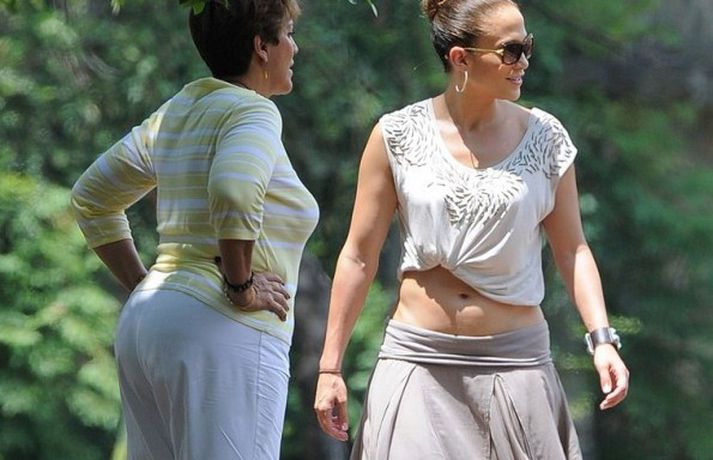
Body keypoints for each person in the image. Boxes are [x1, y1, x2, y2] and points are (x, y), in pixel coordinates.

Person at [314, 0, 629, 458]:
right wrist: (330, 367)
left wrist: (602, 339)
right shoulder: (395, 134)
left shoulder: (546, 138)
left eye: (527, 47)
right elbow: (358, 257)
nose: (524, 62)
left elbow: (573, 250)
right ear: (460, 58)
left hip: (516, 364)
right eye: (511, 50)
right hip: (417, 362)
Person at [71, 1, 318, 458]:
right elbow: (234, 190)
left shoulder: (180, 110)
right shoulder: (253, 112)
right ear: (261, 47)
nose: (295, 47)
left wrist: (146, 285)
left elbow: (92, 197)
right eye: (288, 33)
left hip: (148, 322)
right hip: (220, 328)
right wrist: (242, 286)